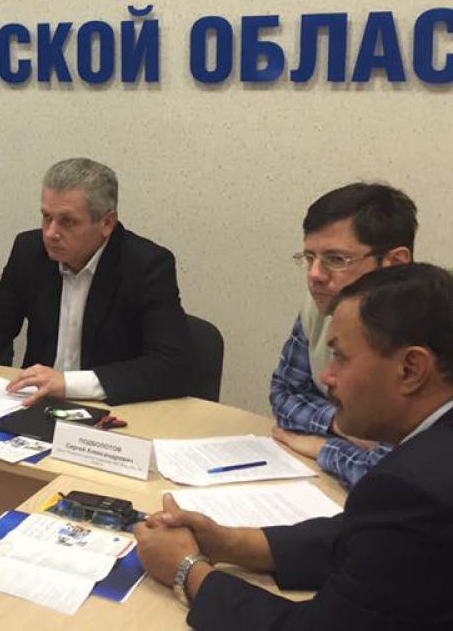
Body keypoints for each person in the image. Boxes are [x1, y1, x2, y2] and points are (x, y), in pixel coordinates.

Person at [135, 263, 453, 630]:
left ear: (411, 369)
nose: (327, 377)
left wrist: (188, 571)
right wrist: (229, 543)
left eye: (341, 357)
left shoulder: (414, 487)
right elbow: (362, 539)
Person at [0, 157, 189, 405]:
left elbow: (171, 365)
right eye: (47, 217)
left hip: (109, 411)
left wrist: (69, 384)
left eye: (67, 222)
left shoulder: (146, 265)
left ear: (107, 223)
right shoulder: (30, 251)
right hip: (34, 405)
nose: (50, 233)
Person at [269, 183, 414, 487]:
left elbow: (397, 474)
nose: (315, 275)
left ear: (395, 263)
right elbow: (284, 393)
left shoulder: (429, 333)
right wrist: (340, 425)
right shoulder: (323, 305)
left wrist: (325, 448)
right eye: (309, 257)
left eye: (336, 259)